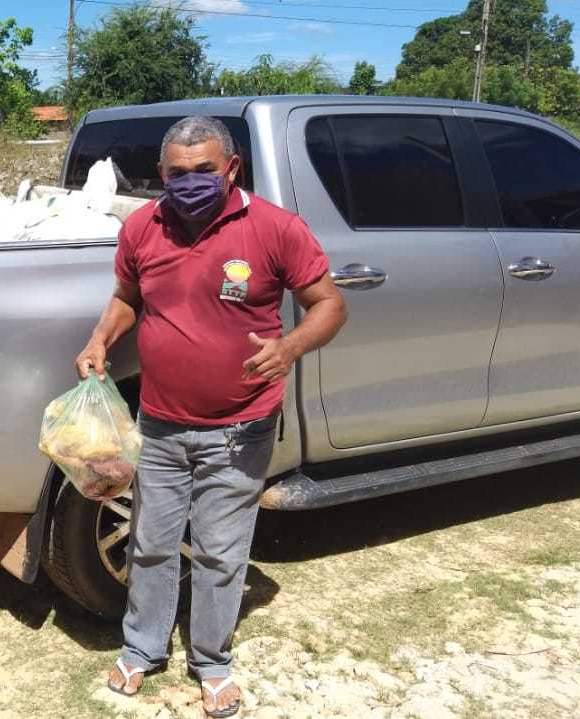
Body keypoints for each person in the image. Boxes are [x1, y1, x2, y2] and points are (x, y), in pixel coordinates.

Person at [75, 116, 347, 718]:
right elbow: (127, 297)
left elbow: (329, 303)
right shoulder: (144, 226)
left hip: (241, 425)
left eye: (203, 171)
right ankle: (141, 648)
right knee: (150, 542)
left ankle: (212, 661)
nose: (190, 182)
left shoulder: (276, 228)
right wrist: (100, 340)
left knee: (224, 551)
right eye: (177, 173)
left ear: (231, 168)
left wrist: (290, 347)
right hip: (162, 422)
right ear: (162, 174)